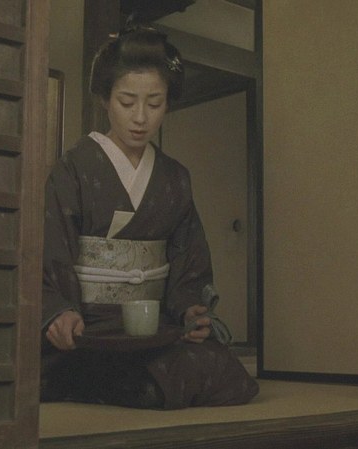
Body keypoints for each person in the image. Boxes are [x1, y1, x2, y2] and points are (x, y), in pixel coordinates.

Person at [39, 23, 259, 410]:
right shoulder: (73, 169)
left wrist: (189, 308)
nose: (140, 117)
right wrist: (60, 310)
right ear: (105, 99)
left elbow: (188, 258)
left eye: (154, 104)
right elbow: (49, 250)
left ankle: (111, 382)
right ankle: (118, 380)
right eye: (127, 102)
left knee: (224, 372)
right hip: (91, 327)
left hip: (153, 328)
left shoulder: (175, 178)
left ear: (167, 104)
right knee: (68, 360)